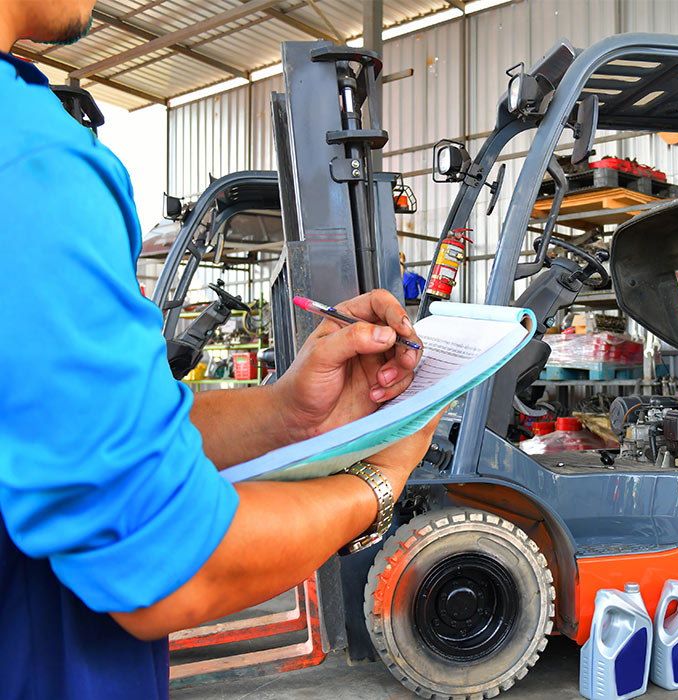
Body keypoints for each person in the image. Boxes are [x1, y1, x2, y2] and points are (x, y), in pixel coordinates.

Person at [0, 2, 442, 697]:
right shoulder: (30, 164)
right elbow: (173, 569)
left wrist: (290, 412)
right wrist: (378, 482)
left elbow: (85, 434)